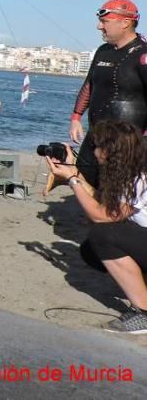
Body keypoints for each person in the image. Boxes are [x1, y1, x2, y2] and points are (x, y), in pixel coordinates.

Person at [45, 120, 147, 334]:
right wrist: (73, 172)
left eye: (97, 147)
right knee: (92, 249)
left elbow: (100, 215)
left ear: (111, 150)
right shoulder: (132, 169)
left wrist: (72, 180)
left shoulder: (140, 176)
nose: (95, 152)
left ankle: (144, 313)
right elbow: (103, 205)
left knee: (103, 234)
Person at [66, 0, 147, 189]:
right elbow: (89, 84)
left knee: (118, 189)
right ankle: (94, 216)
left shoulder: (143, 55)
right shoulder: (103, 51)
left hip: (128, 138)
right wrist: (76, 117)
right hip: (97, 133)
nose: (98, 27)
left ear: (125, 22)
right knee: (84, 177)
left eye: (104, 22)